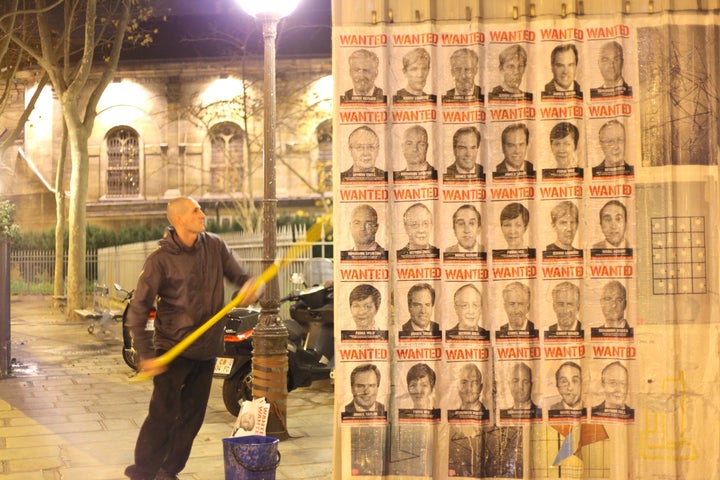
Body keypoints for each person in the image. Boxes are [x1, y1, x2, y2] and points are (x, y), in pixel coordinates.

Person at [124, 196, 262, 480]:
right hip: (172, 348)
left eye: (200, 209)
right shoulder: (159, 260)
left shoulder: (215, 246)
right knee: (163, 414)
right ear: (178, 220)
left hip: (207, 348)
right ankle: (143, 472)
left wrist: (248, 287)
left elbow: (240, 277)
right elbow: (138, 310)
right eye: (195, 210)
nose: (202, 213)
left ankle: (169, 470)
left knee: (192, 418)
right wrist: (146, 355)